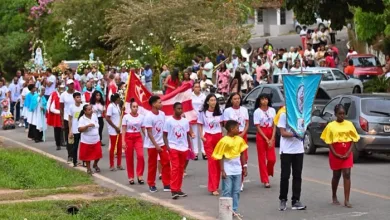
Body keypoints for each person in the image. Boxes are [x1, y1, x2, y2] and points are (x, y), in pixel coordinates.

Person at [320, 104, 360, 208]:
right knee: (336, 175)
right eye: (340, 114)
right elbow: (328, 141)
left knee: (347, 174)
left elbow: (353, 139)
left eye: (343, 113)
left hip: (347, 151)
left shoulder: (349, 124)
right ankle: (334, 195)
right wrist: (334, 153)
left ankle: (347, 200)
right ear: (335, 114)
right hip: (335, 151)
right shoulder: (331, 125)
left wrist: (348, 152)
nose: (342, 116)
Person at [212, 120, 248, 218]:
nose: (239, 129)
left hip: (237, 169)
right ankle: (225, 211)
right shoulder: (223, 141)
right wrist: (222, 170)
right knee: (227, 190)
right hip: (228, 169)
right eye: (237, 128)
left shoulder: (239, 139)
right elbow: (220, 156)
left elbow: (242, 153)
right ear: (231, 129)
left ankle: (234, 210)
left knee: (236, 191)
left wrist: (244, 167)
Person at [277, 107, 306, 211]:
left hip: (298, 150)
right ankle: (283, 199)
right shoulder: (284, 114)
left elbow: (303, 129)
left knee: (297, 176)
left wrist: (302, 131)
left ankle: (296, 201)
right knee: (285, 176)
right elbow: (283, 133)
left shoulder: (301, 116)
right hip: (287, 150)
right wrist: (295, 134)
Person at [163, 102, 191, 199]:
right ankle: (173, 190)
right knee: (175, 168)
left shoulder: (185, 121)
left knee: (181, 169)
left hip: (183, 147)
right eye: (178, 109)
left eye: (181, 109)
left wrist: (189, 146)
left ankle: (178, 189)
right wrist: (168, 147)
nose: (180, 110)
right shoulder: (169, 121)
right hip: (173, 147)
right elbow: (165, 135)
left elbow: (187, 134)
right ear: (174, 109)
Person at [143, 95, 170, 193]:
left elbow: (164, 129)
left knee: (166, 162)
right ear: (154, 104)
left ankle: (166, 183)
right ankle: (151, 184)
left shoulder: (162, 114)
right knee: (152, 164)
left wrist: (165, 143)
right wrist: (156, 145)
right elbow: (149, 133)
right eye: (159, 102)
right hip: (152, 145)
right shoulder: (148, 116)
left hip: (162, 143)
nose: (161, 104)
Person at [197, 94, 223, 196]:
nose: (213, 102)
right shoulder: (203, 113)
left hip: (218, 137)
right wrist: (201, 136)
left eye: (214, 100)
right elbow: (199, 124)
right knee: (211, 162)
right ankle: (212, 187)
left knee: (217, 161)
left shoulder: (219, 112)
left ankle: (216, 184)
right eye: (211, 100)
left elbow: (222, 125)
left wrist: (223, 136)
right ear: (207, 102)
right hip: (208, 137)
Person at [223, 93, 249, 191]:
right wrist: (233, 134)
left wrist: (242, 134)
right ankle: (231, 179)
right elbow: (226, 124)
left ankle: (240, 181)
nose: (237, 100)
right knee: (233, 157)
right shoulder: (227, 111)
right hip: (232, 135)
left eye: (238, 98)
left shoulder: (244, 110)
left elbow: (247, 124)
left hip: (242, 134)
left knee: (243, 157)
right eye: (234, 99)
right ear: (231, 100)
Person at [253, 93, 276, 188]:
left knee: (272, 159)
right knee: (262, 158)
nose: (264, 101)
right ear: (259, 101)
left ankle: (268, 171)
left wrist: (272, 137)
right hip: (261, 134)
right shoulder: (257, 112)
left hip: (271, 132)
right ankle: (265, 179)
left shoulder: (272, 110)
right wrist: (266, 139)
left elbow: (275, 124)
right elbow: (257, 126)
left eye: (266, 99)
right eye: (262, 99)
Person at [122, 99, 145, 185]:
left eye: (136, 107)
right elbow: (123, 129)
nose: (135, 108)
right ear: (130, 108)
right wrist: (123, 141)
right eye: (133, 107)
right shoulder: (126, 117)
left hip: (138, 137)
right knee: (129, 157)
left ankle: (140, 175)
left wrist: (147, 137)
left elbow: (143, 128)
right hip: (129, 137)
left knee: (141, 156)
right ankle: (131, 177)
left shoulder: (141, 117)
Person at [78, 104, 102, 175]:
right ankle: (88, 168)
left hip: (95, 139)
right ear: (85, 111)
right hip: (86, 140)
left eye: (91, 109)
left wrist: (94, 125)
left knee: (98, 154)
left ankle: (95, 164)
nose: (91, 111)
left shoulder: (94, 116)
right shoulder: (82, 119)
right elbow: (79, 129)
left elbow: (97, 124)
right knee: (87, 156)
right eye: (89, 110)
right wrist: (87, 126)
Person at [60, 79, 78, 163]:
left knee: (77, 138)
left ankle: (75, 155)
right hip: (67, 118)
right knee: (69, 138)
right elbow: (61, 108)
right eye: (70, 84)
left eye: (72, 84)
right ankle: (70, 155)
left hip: (76, 118)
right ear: (67, 85)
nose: (72, 85)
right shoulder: (63, 95)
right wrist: (62, 121)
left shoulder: (77, 93)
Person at [106, 93, 123, 171]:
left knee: (119, 147)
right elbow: (107, 118)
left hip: (119, 129)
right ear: (116, 99)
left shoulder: (117, 106)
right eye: (119, 98)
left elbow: (118, 116)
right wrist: (115, 127)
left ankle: (119, 164)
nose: (120, 99)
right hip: (113, 130)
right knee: (113, 148)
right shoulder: (110, 106)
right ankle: (111, 165)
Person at [68, 92, 84, 167]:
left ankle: (84, 161)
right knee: (75, 146)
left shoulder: (83, 106)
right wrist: (70, 130)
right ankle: (75, 161)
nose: (79, 98)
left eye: (79, 97)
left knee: (83, 145)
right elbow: (70, 119)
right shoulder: (71, 107)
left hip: (82, 129)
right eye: (77, 97)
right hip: (75, 129)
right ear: (74, 98)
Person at [191, 82, 206, 160]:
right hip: (193, 117)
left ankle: (204, 152)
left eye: (198, 87)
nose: (197, 88)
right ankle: (195, 152)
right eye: (195, 87)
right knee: (194, 135)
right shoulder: (190, 95)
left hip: (201, 116)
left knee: (202, 134)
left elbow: (205, 106)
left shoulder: (203, 96)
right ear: (193, 88)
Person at [47, 85, 64, 150]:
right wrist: (60, 112)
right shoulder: (55, 97)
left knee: (64, 130)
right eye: (61, 88)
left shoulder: (65, 96)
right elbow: (51, 108)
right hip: (57, 117)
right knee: (57, 130)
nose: (62, 90)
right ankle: (58, 144)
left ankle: (63, 142)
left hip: (64, 116)